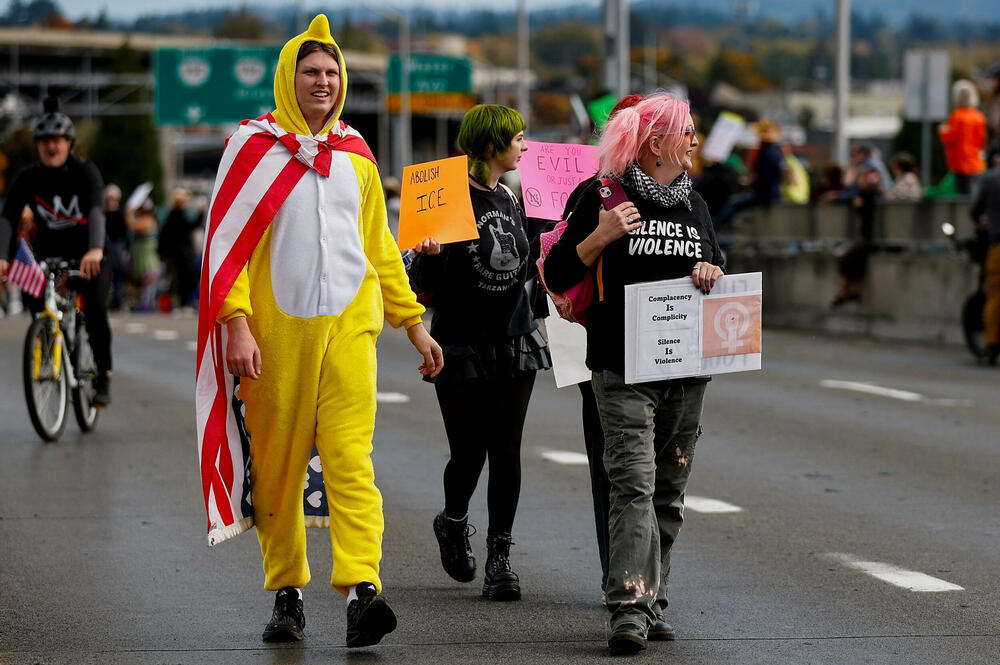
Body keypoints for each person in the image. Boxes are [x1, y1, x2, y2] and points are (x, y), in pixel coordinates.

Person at [195, 15, 443, 648]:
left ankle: (363, 589)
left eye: (332, 72)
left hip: (350, 329)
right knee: (279, 469)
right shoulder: (252, 149)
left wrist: (413, 323)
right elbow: (227, 247)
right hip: (275, 336)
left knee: (349, 459)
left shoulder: (357, 155)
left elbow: (379, 247)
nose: (323, 82)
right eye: (310, 72)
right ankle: (287, 592)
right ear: (289, 78)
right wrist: (237, 324)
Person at [542, 93, 724, 654]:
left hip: (685, 368)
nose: (694, 141)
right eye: (687, 132)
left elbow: (720, 264)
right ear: (655, 142)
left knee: (669, 489)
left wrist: (711, 270)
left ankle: (653, 599)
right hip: (621, 365)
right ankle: (627, 603)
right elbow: (555, 271)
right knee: (633, 483)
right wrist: (600, 236)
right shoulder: (601, 194)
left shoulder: (694, 202)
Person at [408, 104, 552, 602]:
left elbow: (525, 265)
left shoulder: (510, 196)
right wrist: (429, 256)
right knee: (468, 453)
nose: (524, 146)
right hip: (461, 342)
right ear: (492, 145)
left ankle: (500, 557)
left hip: (514, 338)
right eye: (517, 139)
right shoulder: (446, 194)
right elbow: (422, 285)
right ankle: (453, 522)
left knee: (506, 451)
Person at [0, 97, 112, 406]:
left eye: (58, 140)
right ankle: (48, 340)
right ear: (38, 145)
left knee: (95, 307)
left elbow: (97, 210)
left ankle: (103, 373)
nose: (52, 146)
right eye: (45, 141)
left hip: (89, 251)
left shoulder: (85, 172)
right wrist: (2, 257)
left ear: (69, 143)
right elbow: (8, 218)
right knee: (35, 298)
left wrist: (94, 249)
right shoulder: (27, 178)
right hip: (48, 251)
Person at [712, 118, 785, 229]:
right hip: (772, 193)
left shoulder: (767, 153)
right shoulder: (775, 151)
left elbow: (764, 178)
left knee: (733, 203)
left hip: (765, 195)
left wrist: (751, 182)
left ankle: (715, 226)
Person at [831, 166, 882, 306]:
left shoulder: (870, 195)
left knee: (850, 257)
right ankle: (851, 290)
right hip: (865, 238)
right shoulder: (860, 195)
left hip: (871, 238)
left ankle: (846, 291)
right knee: (853, 259)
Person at [971, 146, 1000, 364]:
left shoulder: (991, 179)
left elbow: (975, 209)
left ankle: (992, 345)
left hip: (997, 243)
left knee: (995, 295)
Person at [939, 79, 987, 196]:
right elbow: (982, 140)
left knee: (962, 196)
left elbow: (951, 138)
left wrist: (943, 131)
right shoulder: (978, 116)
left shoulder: (957, 116)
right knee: (974, 195)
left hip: (960, 162)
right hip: (975, 162)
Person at [157, 188, 198, 310]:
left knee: (181, 279)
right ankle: (181, 303)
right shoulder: (176, 216)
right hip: (179, 255)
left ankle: (180, 302)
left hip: (178, 255)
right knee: (182, 279)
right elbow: (188, 228)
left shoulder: (174, 215)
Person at [124, 196, 159, 312]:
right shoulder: (148, 219)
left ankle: (147, 304)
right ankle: (145, 303)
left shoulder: (148, 220)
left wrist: (129, 211)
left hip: (146, 256)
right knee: (144, 280)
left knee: (148, 279)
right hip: (142, 255)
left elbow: (132, 225)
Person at [103, 184, 130, 311]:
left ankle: (117, 301)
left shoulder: (120, 215)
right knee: (105, 275)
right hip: (105, 247)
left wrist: (126, 250)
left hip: (116, 248)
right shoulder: (102, 214)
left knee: (118, 276)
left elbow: (125, 234)